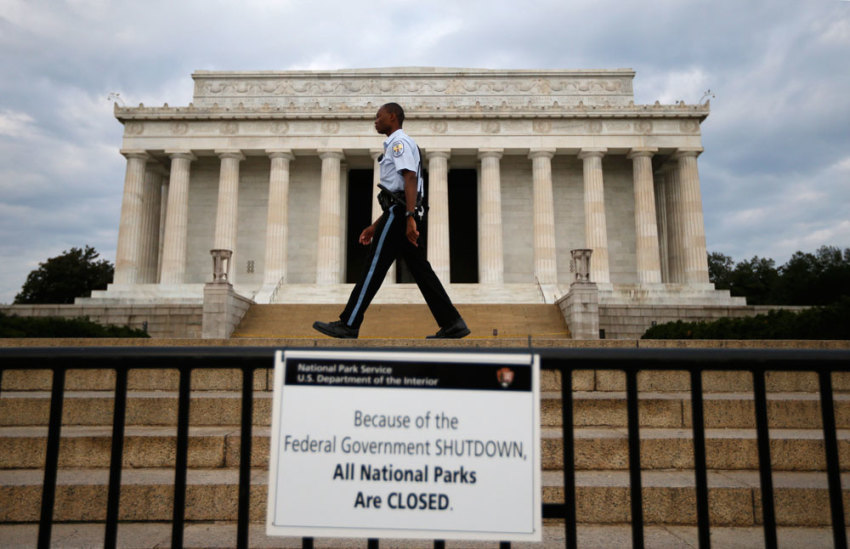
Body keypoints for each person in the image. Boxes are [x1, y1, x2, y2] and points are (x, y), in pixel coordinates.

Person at [313, 102, 470, 339]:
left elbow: (409, 178)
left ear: (393, 117)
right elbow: (397, 190)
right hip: (399, 213)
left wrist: (408, 218)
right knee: (421, 271)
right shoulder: (397, 143)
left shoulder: (399, 142)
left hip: (400, 214)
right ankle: (452, 323)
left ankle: (349, 323)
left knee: (374, 266)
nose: (375, 121)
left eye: (379, 117)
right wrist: (376, 226)